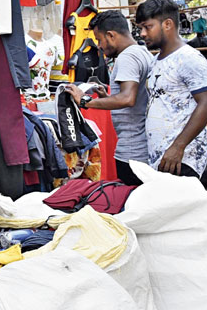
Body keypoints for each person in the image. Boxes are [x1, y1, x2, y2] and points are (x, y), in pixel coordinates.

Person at [64, 10, 153, 186]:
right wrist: (108, 97)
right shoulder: (142, 52)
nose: (100, 46)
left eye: (99, 40)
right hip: (142, 148)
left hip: (132, 152)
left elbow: (127, 98)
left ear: (111, 35)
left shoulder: (127, 57)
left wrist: (85, 101)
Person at [136, 0, 207, 179]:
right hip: (162, 158)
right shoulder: (156, 60)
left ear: (168, 24)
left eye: (147, 27)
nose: (142, 33)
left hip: (182, 159)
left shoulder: (189, 58)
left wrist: (178, 146)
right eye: (140, 28)